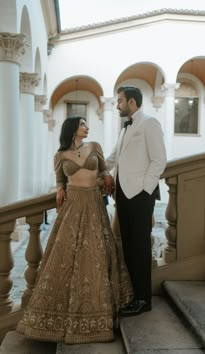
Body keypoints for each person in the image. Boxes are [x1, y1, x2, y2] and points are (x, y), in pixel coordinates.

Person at [17, 115, 133, 344]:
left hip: (93, 203)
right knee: (65, 256)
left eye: (86, 124)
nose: (86, 127)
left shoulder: (94, 147)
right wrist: (60, 189)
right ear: (72, 129)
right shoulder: (60, 155)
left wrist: (108, 176)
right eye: (82, 124)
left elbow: (102, 171)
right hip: (72, 207)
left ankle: (97, 314)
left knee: (96, 255)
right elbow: (60, 179)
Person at [106, 86, 167, 316]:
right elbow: (114, 157)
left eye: (120, 101)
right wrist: (95, 168)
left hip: (140, 196)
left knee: (140, 248)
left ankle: (144, 299)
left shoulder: (149, 123)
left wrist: (145, 189)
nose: (117, 105)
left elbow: (159, 160)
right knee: (130, 247)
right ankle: (134, 296)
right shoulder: (125, 129)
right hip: (122, 196)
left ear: (132, 102)